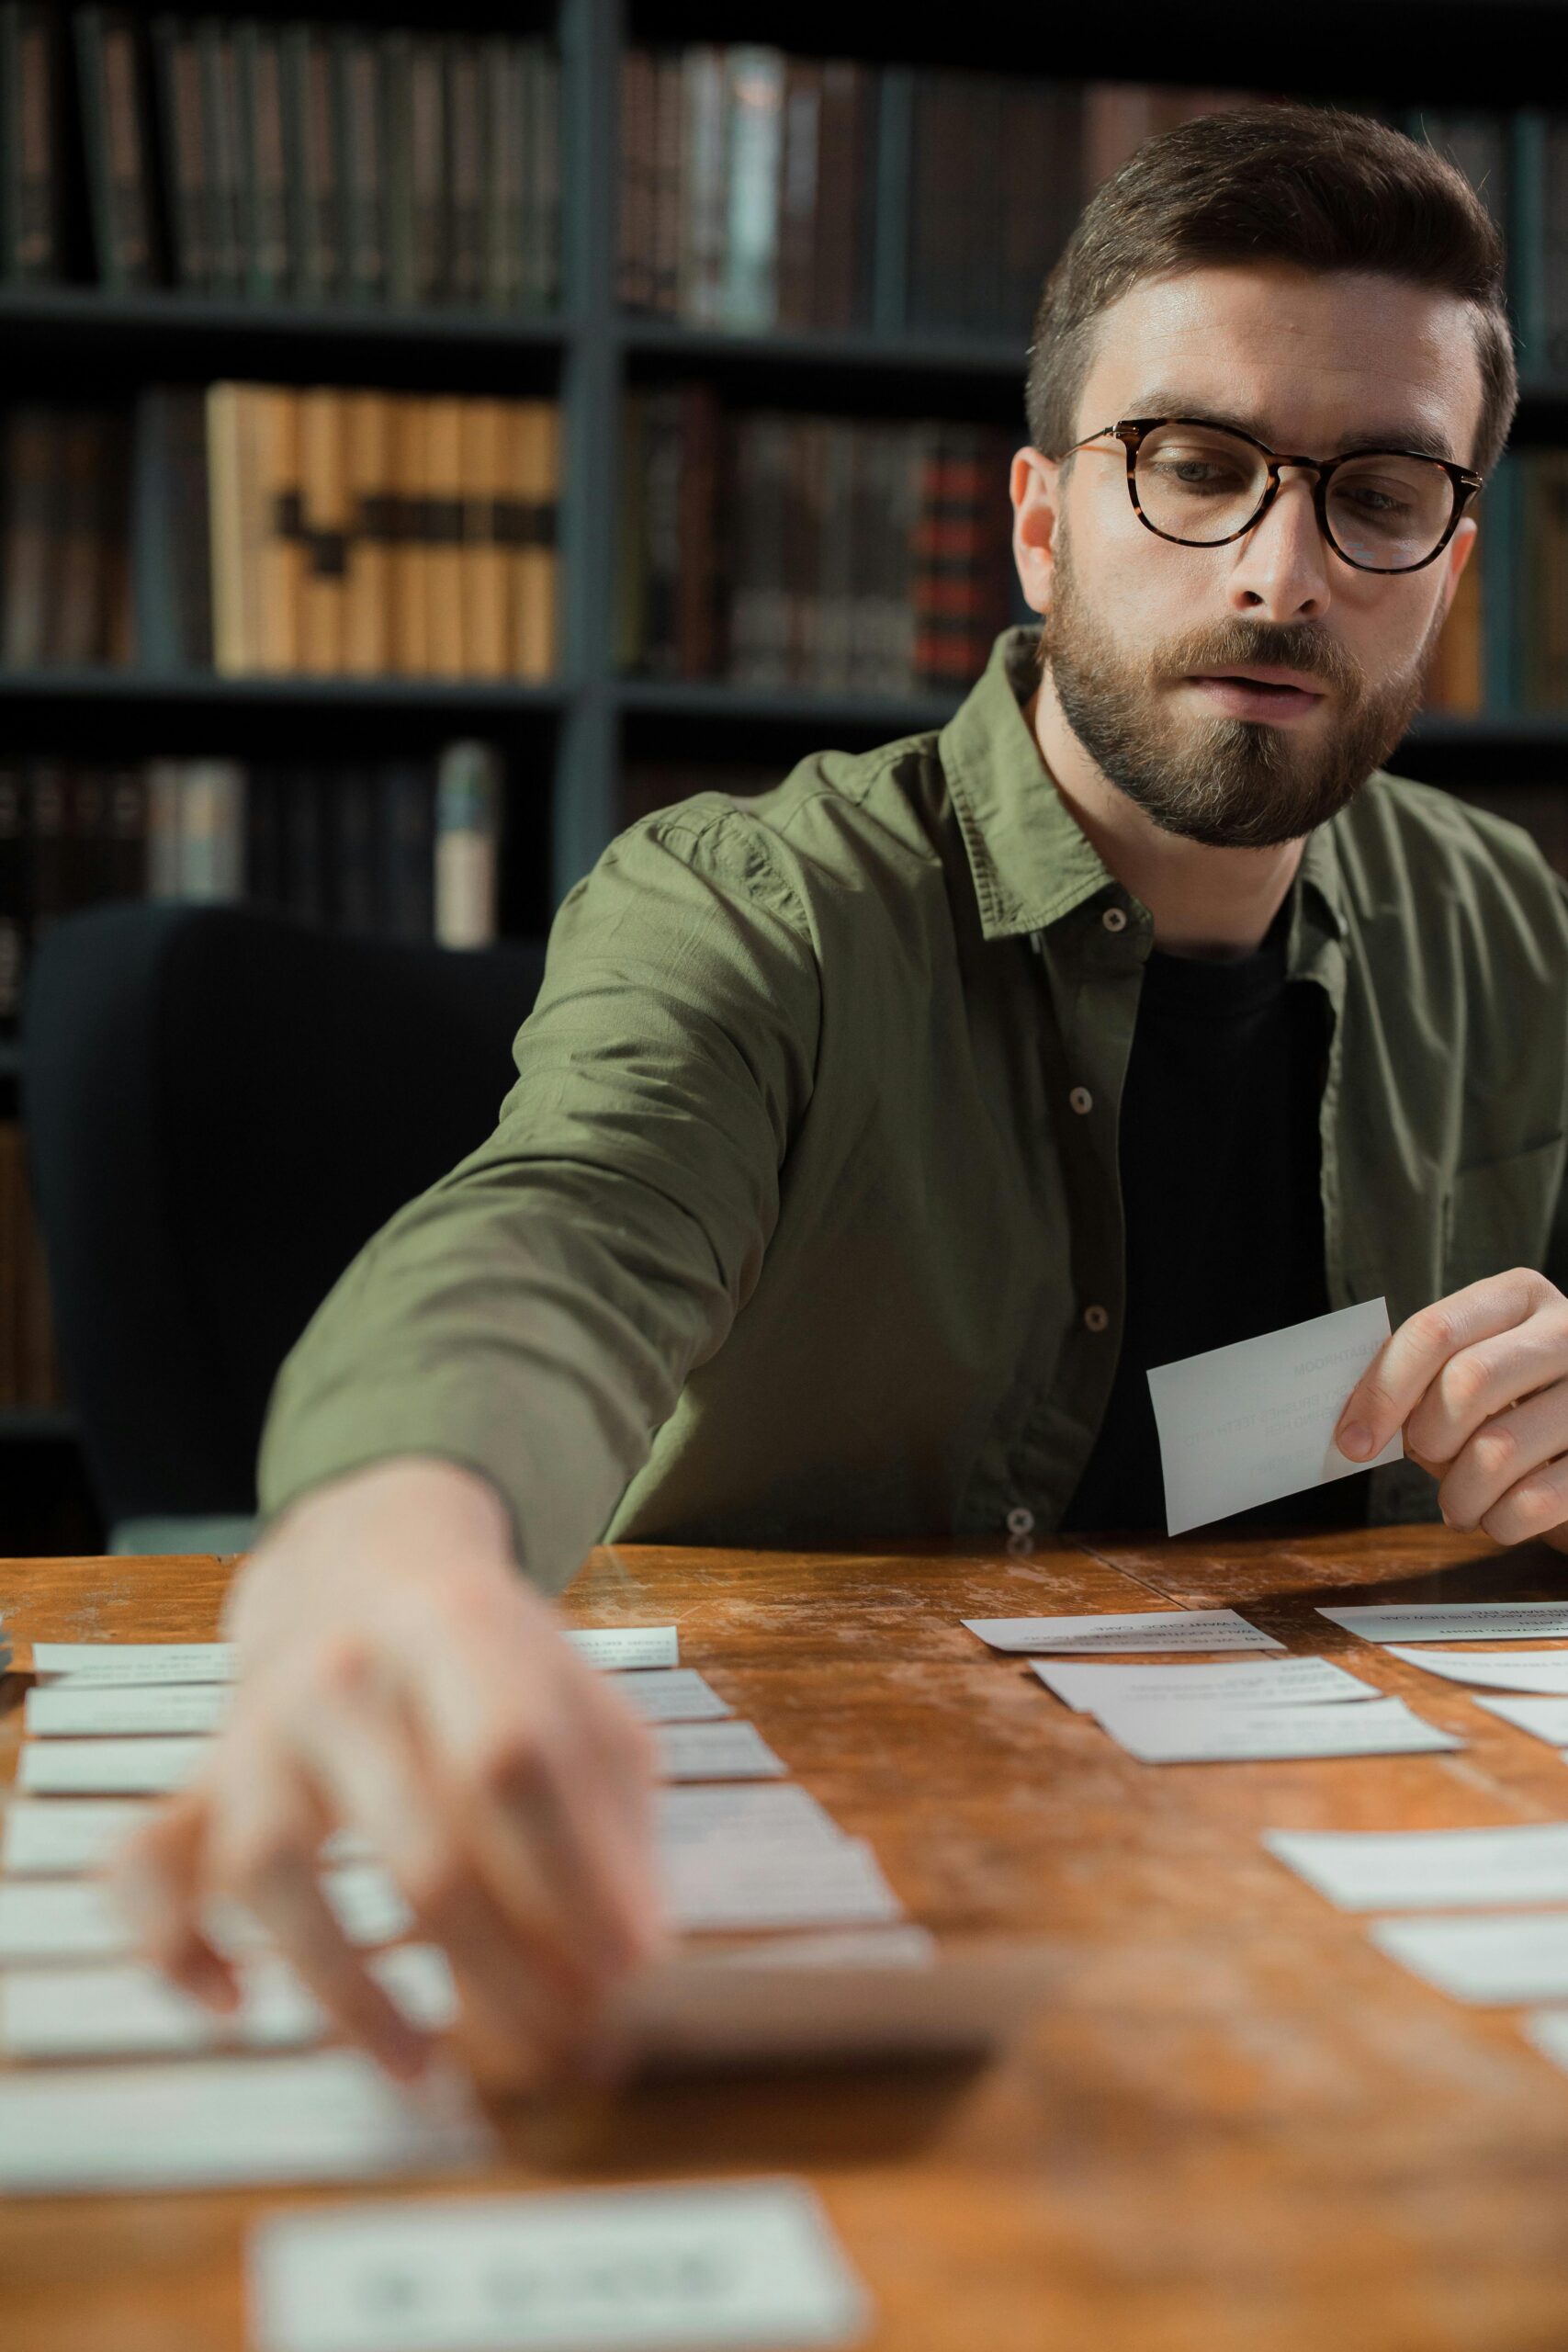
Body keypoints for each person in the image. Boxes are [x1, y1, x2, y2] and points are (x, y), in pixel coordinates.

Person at [115, 105, 1568, 2079]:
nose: (1277, 571)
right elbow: (560, 1225)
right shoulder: (756, 903)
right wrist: (393, 1544)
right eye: (1193, 468)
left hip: (1327, 1886)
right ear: (1042, 518)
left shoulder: (1503, 921)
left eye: (1375, 491)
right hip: (779, 1838)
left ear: (1446, 559)